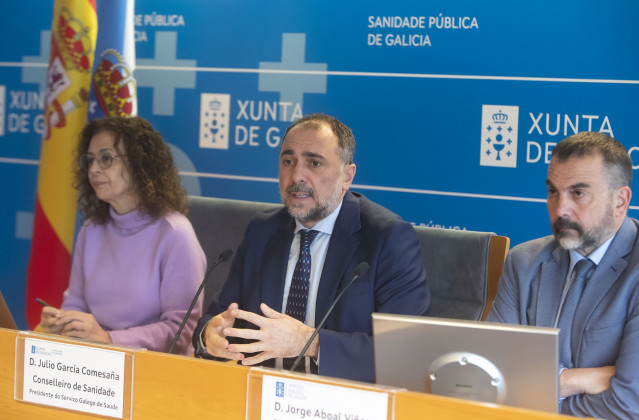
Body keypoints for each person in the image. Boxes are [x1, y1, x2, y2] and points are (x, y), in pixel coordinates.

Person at [193, 113, 429, 382]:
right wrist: (209, 335)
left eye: (314, 163)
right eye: (288, 161)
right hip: (262, 395)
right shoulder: (262, 231)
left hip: (344, 401)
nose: (297, 176)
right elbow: (221, 315)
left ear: (347, 176)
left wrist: (310, 343)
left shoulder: (387, 238)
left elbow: (405, 354)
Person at [487, 131, 639, 418]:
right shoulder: (523, 261)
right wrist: (581, 380)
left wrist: (549, 387)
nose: (560, 209)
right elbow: (494, 375)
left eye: (578, 193)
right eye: (553, 191)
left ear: (620, 201)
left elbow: (629, 404)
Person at [40, 116, 206, 355]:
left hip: (154, 369)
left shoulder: (175, 234)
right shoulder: (91, 229)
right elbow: (76, 303)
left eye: (106, 158)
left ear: (139, 164)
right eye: (90, 160)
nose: (94, 169)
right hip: (93, 359)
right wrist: (62, 322)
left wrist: (110, 338)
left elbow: (181, 332)